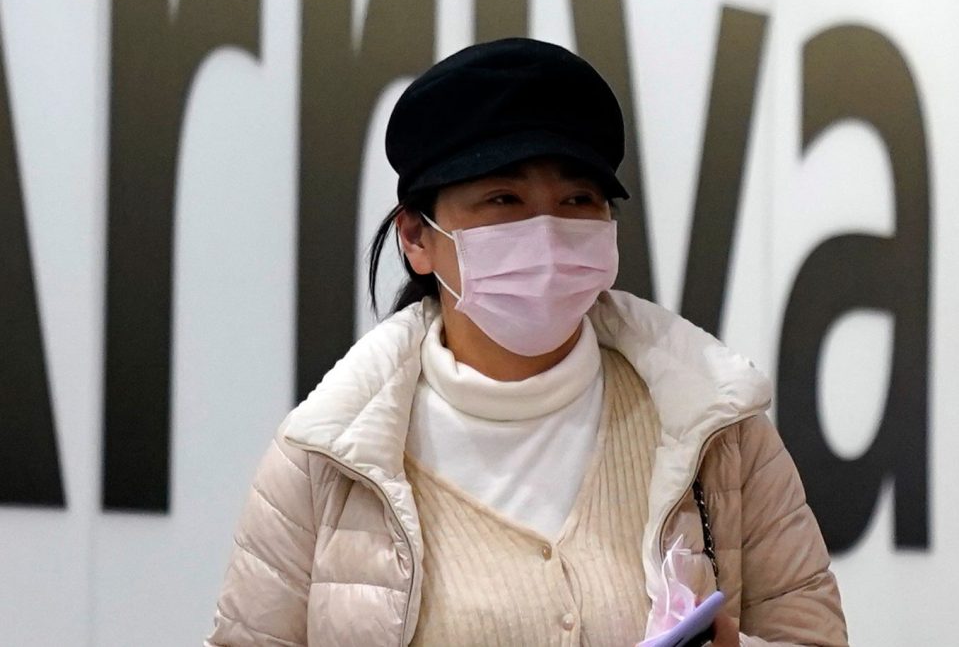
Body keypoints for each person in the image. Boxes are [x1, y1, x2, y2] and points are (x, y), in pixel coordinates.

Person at [205, 38, 846, 647]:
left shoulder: (717, 429)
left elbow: (811, 631)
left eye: (577, 199)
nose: (546, 232)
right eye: (503, 199)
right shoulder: (325, 458)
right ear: (416, 238)